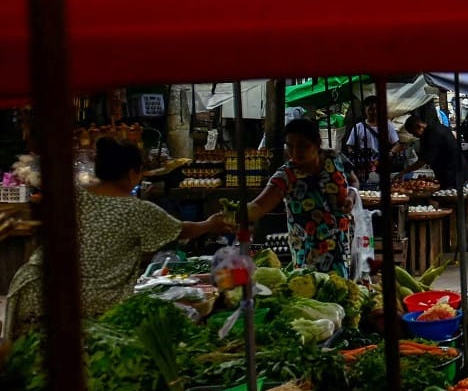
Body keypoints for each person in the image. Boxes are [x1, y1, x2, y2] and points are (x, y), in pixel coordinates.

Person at [6, 138, 231, 331]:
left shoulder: (72, 197)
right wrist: (210, 223)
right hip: (83, 305)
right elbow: (181, 229)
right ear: (133, 172)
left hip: (33, 289)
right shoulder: (137, 210)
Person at [247, 118, 359, 275]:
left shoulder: (335, 158)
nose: (295, 152)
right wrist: (233, 215)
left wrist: (351, 196)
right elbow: (258, 207)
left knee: (344, 292)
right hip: (308, 252)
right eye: (290, 146)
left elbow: (354, 180)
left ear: (317, 143)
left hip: (343, 243)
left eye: (303, 145)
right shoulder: (286, 175)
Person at [341, 97, 402, 183]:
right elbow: (350, 146)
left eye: (375, 109)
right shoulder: (358, 127)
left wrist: (390, 154)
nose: (373, 112)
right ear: (365, 110)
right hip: (364, 167)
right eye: (370, 109)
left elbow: (397, 144)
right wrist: (357, 157)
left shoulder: (386, 125)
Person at [404, 109, 468, 191]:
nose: (415, 136)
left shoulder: (432, 134)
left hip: (453, 173)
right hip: (455, 170)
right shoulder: (435, 127)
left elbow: (423, 161)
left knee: (449, 197)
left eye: (413, 133)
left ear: (419, 126)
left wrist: (405, 171)